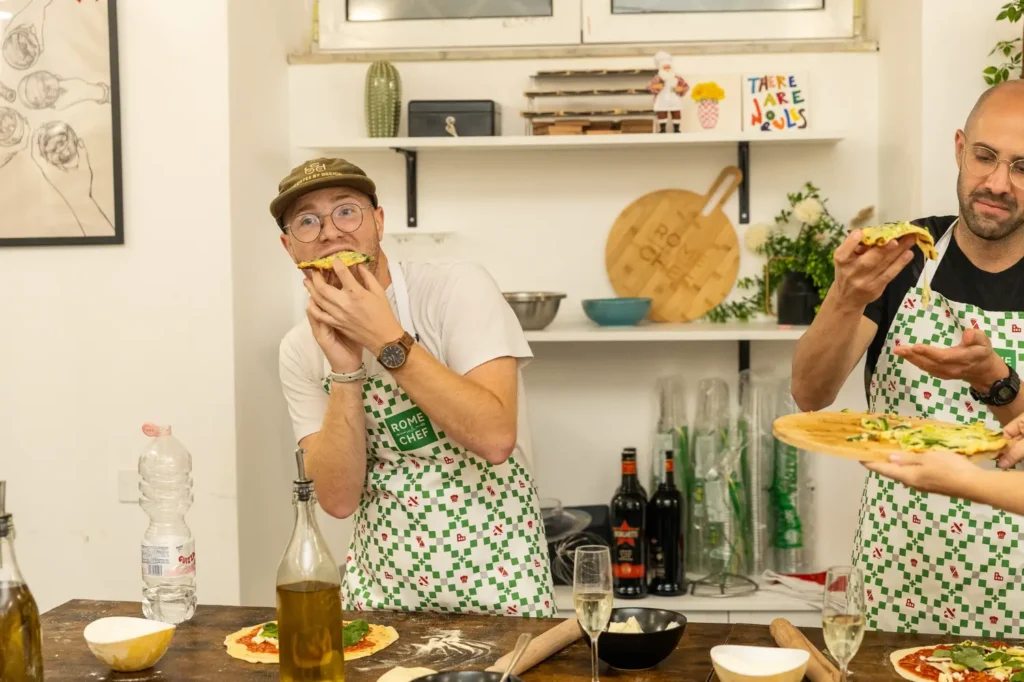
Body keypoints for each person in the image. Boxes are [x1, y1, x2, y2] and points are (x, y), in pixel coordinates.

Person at [271, 157, 557, 617]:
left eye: (347, 211)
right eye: (307, 221)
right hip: (381, 594)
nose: (329, 232)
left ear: (379, 222)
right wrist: (345, 373)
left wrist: (385, 337)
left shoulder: (456, 289)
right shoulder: (299, 349)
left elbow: (495, 437)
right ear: (290, 248)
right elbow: (338, 501)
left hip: (502, 583)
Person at [791, 80, 1024, 637]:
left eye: (1023, 167)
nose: (997, 183)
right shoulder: (904, 258)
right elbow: (810, 394)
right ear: (959, 148)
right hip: (897, 573)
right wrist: (846, 296)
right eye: (985, 157)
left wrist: (992, 378)